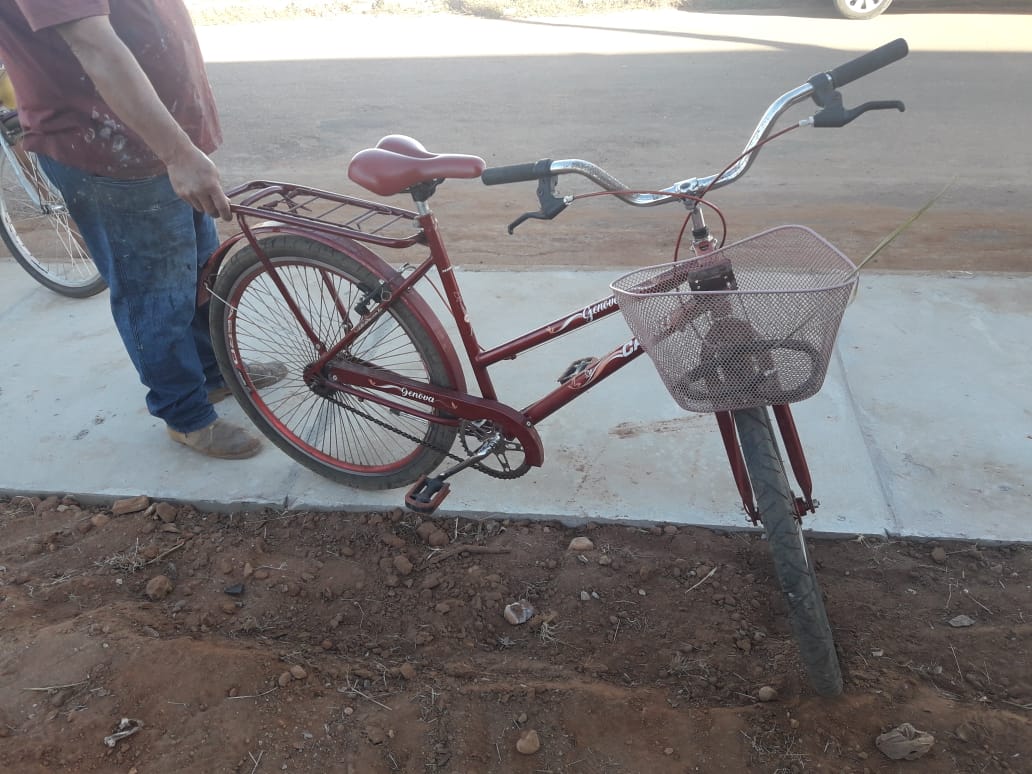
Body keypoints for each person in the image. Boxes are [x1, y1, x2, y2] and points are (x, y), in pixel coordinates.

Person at [0, 0, 283, 459]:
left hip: (157, 139)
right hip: (112, 147)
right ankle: (185, 415)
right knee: (155, 295)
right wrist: (179, 155)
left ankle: (212, 374)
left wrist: (182, 146)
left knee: (198, 273)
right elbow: (94, 44)